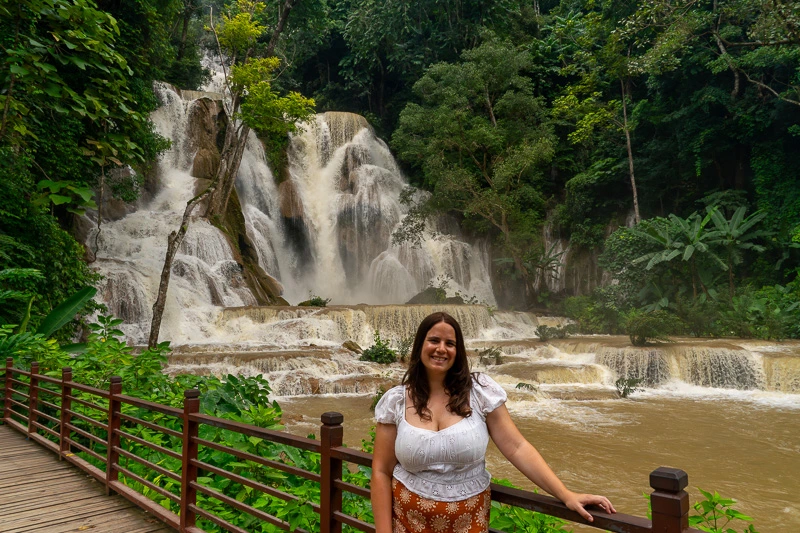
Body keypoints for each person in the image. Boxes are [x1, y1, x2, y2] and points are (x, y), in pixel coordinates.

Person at [371, 311, 615, 533]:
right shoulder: (396, 401)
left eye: (450, 343)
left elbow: (516, 447)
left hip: (469, 523)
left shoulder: (479, 392)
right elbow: (381, 471)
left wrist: (566, 495)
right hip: (407, 522)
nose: (441, 349)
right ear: (420, 345)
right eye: (434, 340)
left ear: (458, 351)